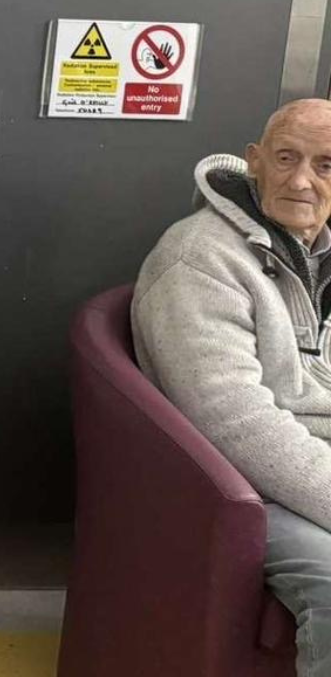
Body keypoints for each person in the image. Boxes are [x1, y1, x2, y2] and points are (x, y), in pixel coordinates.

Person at [133, 99, 331, 676]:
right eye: (287, 158)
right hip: (242, 489)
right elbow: (234, 423)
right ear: (254, 163)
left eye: (326, 165)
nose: (301, 181)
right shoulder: (198, 258)